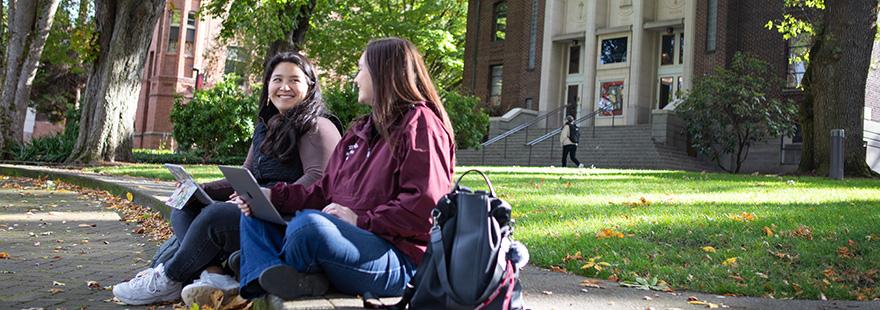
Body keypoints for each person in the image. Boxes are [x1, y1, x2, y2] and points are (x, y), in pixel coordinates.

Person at [232, 37, 456, 301]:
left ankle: (264, 267)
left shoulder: (421, 126)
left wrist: (360, 220)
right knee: (255, 215)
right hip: (348, 242)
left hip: (399, 258)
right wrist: (272, 197)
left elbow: (425, 206)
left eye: (361, 69)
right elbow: (324, 191)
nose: (356, 78)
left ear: (383, 73)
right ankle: (284, 275)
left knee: (308, 228)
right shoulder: (359, 132)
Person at [112, 52, 342, 306]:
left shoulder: (318, 126)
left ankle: (168, 278)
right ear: (267, 86)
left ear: (310, 87)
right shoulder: (267, 127)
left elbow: (318, 180)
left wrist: (266, 200)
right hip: (256, 210)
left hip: (286, 221)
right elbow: (248, 175)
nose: (284, 87)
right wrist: (198, 188)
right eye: (277, 79)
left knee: (217, 216)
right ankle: (215, 275)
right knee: (186, 205)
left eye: (294, 80)